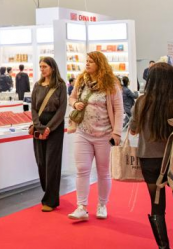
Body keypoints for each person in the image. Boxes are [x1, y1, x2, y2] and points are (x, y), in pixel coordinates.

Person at [129, 62, 173, 249]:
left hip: (149, 160)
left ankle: (163, 246)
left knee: (156, 204)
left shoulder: (141, 102)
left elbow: (133, 129)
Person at [68, 51, 123, 221]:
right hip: (83, 133)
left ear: (100, 64)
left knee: (103, 171)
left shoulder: (111, 84)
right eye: (86, 61)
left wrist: (117, 132)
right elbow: (72, 97)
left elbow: (119, 109)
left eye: (91, 61)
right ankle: (81, 207)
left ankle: (102, 205)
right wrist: (75, 103)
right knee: (82, 169)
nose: (87, 64)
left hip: (104, 134)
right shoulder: (81, 81)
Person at [31, 56, 67, 212]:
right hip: (39, 125)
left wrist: (49, 128)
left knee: (52, 162)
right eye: (40, 66)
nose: (42, 69)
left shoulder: (60, 86)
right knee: (41, 162)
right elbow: (33, 108)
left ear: (52, 68)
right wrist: (39, 126)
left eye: (44, 66)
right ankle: (48, 190)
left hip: (55, 126)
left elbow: (62, 110)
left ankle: (51, 200)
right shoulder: (37, 85)